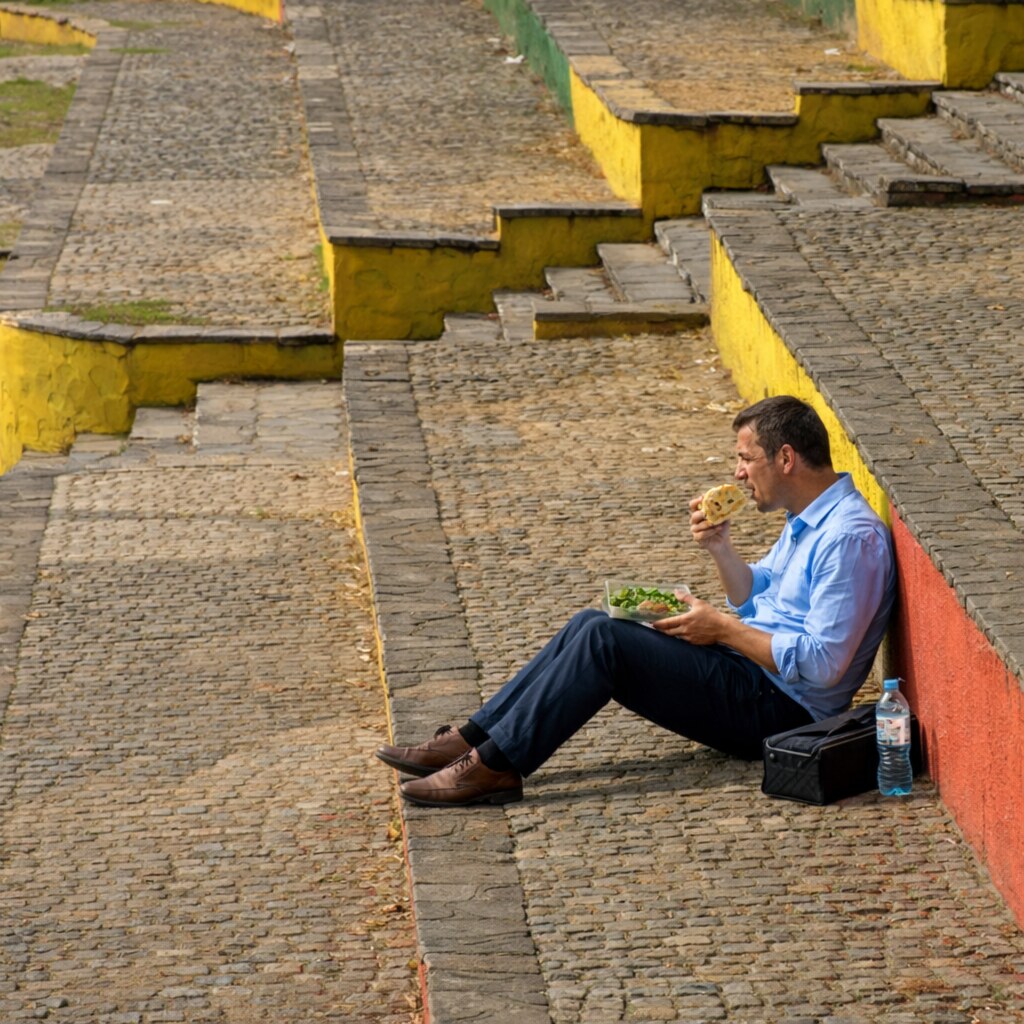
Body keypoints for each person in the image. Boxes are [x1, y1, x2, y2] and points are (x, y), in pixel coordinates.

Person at [376, 395, 896, 807]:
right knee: (593, 620)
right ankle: (473, 738)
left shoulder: (849, 539)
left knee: (606, 641)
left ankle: (497, 767)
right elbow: (757, 594)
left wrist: (720, 629)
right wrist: (720, 548)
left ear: (785, 458)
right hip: (746, 668)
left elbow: (825, 666)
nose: (737, 473)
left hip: (782, 708)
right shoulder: (806, 520)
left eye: (745, 459)